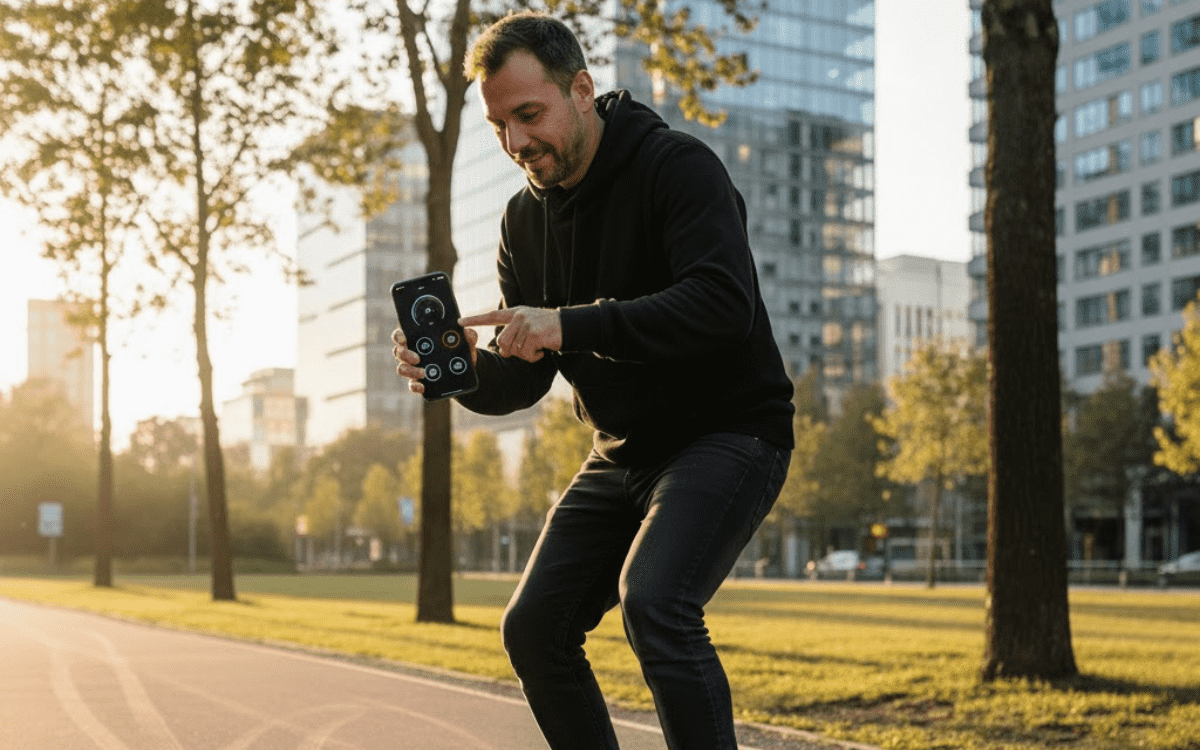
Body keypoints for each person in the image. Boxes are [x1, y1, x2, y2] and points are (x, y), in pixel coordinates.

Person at [392, 12, 794, 749]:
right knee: (534, 629)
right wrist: (455, 374)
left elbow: (722, 307)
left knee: (656, 602)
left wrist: (568, 323)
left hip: (730, 432)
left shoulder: (677, 167)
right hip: (621, 454)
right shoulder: (522, 222)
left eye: (528, 114)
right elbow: (524, 380)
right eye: (499, 127)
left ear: (582, 89)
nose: (516, 142)